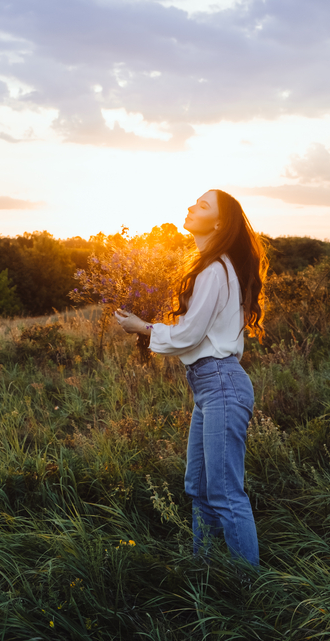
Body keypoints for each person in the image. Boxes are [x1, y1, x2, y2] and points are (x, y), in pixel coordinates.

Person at [114, 189, 267, 567]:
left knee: (225, 493)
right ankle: (207, 573)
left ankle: (249, 591)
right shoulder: (213, 266)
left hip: (221, 383)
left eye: (202, 205)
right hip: (209, 385)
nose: (190, 207)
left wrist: (143, 327)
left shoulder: (216, 270)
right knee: (199, 488)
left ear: (218, 222)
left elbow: (190, 335)